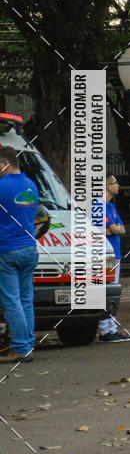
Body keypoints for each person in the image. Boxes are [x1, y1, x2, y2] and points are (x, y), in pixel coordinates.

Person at [0, 146, 39, 363]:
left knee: (12, 300)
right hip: (29, 249)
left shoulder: (1, 186)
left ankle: (21, 348)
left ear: (4, 163)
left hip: (6, 250)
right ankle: (27, 344)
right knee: (26, 299)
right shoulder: (31, 186)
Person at [97, 175, 130, 342]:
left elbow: (122, 229)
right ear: (107, 186)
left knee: (112, 290)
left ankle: (111, 328)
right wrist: (115, 228)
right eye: (115, 183)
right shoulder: (100, 205)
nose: (118, 186)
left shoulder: (111, 206)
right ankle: (105, 330)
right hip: (105, 254)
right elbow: (115, 229)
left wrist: (115, 228)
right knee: (107, 290)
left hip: (114, 253)